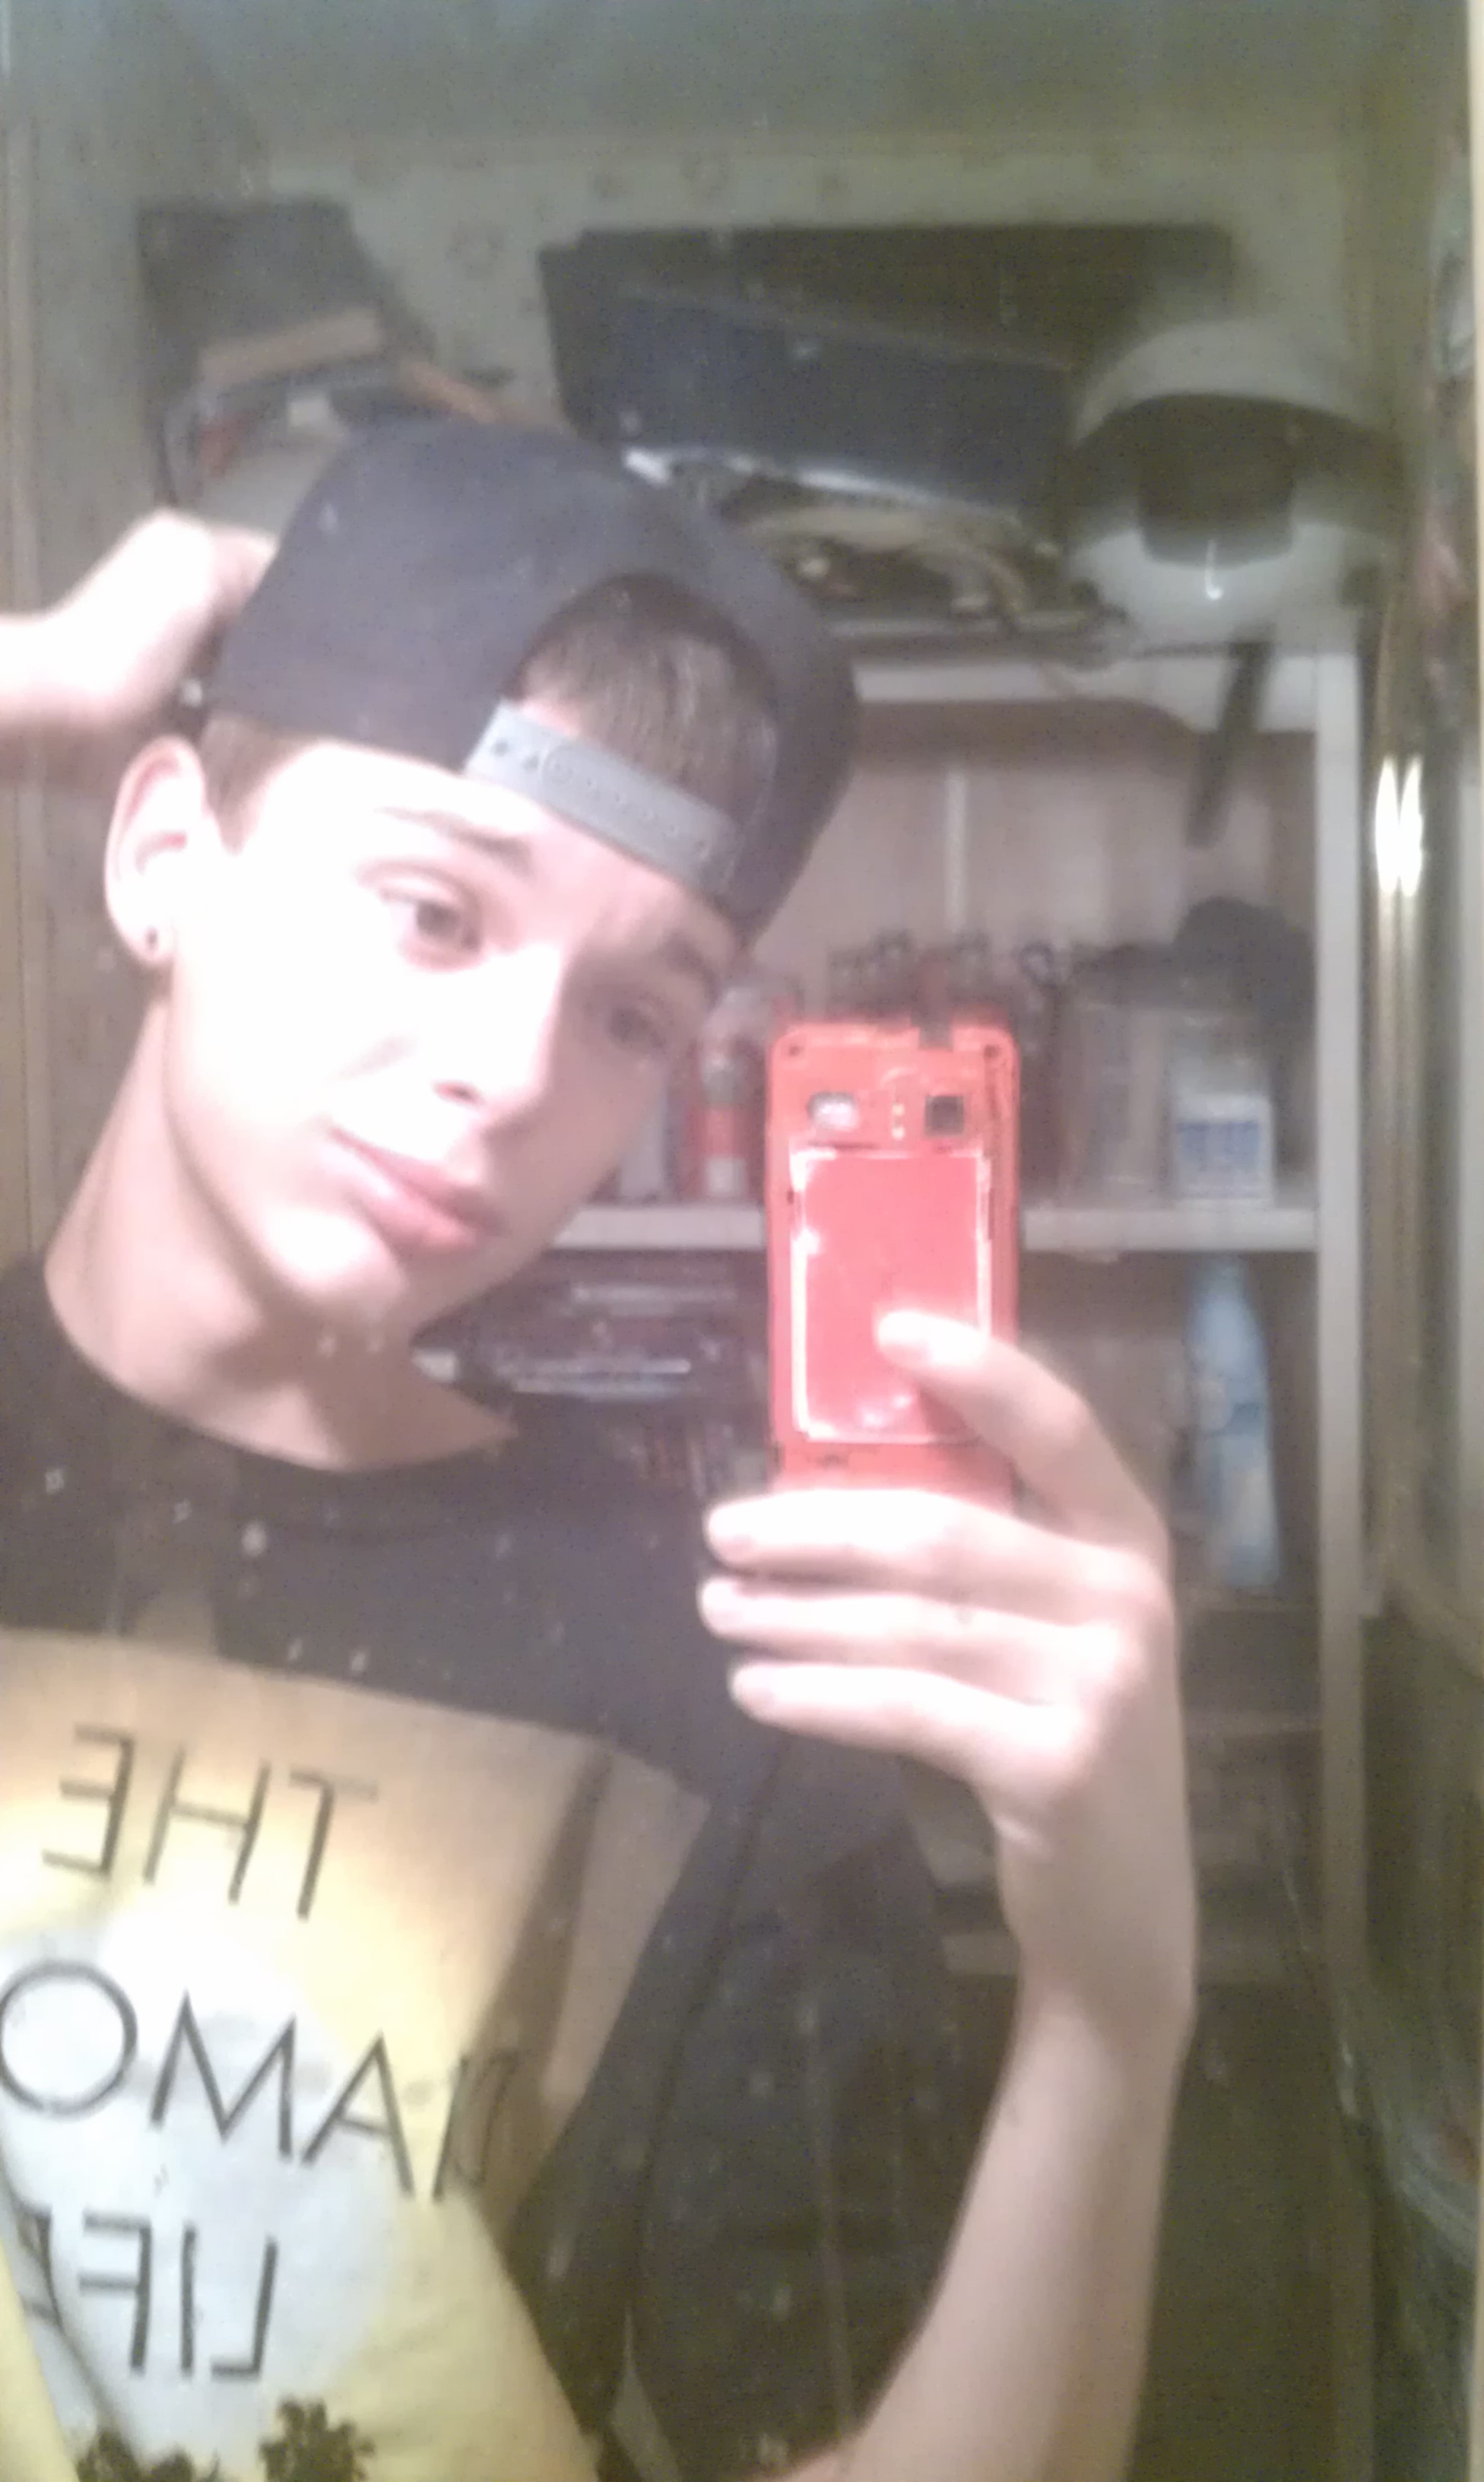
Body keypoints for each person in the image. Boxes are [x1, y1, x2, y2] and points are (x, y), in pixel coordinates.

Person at [0, 426, 1195, 2482]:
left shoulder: (717, 1700)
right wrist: (40, 674)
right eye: (435, 910)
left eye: (637, 1015)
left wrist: (1112, 2015)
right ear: (165, 856)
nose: (516, 1073)